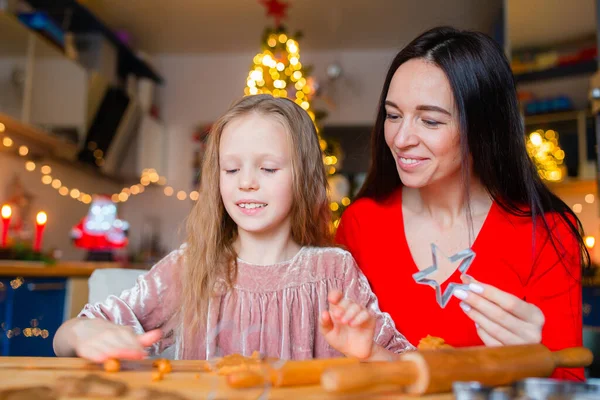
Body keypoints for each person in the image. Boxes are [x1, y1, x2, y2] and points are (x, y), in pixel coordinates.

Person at [53, 94, 413, 362]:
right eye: (231, 169)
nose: (247, 183)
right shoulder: (192, 266)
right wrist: (82, 332)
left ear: (303, 177)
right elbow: (68, 335)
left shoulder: (334, 272)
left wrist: (369, 353)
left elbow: (403, 363)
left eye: (268, 169)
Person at [335, 26, 588, 380]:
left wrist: (535, 363)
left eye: (431, 120)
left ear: (483, 128)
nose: (401, 138)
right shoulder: (361, 224)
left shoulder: (547, 231)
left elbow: (570, 382)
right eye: (393, 115)